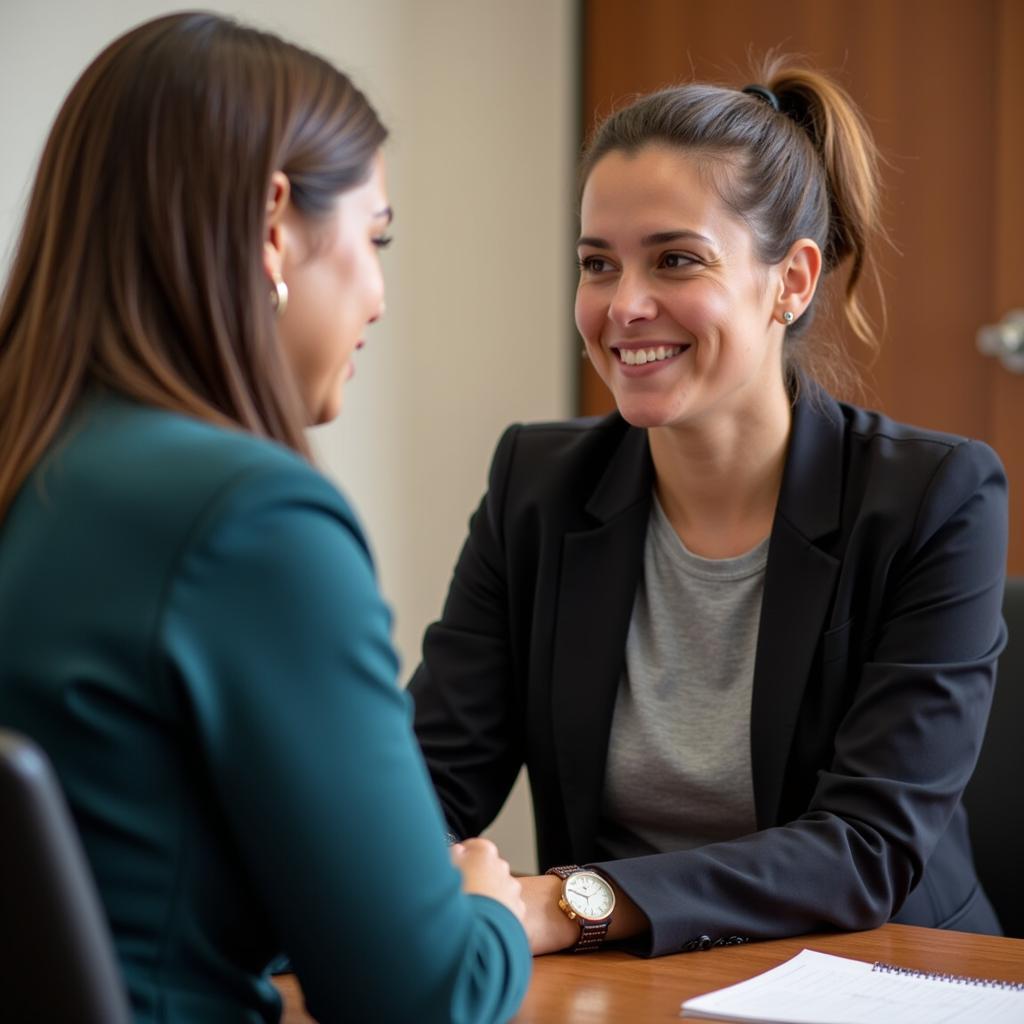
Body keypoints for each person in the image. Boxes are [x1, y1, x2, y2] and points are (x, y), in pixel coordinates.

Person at [409, 58, 1009, 958]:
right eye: (597, 264)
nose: (624, 306)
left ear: (792, 282)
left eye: (676, 259)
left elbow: (865, 848)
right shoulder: (536, 485)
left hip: (879, 971)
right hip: (624, 984)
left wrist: (563, 903)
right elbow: (431, 780)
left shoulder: (934, 499)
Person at [0, 13, 529, 1023]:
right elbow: (422, 998)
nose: (376, 296)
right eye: (374, 238)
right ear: (274, 222)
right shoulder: (251, 521)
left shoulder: (37, 468)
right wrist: (487, 912)